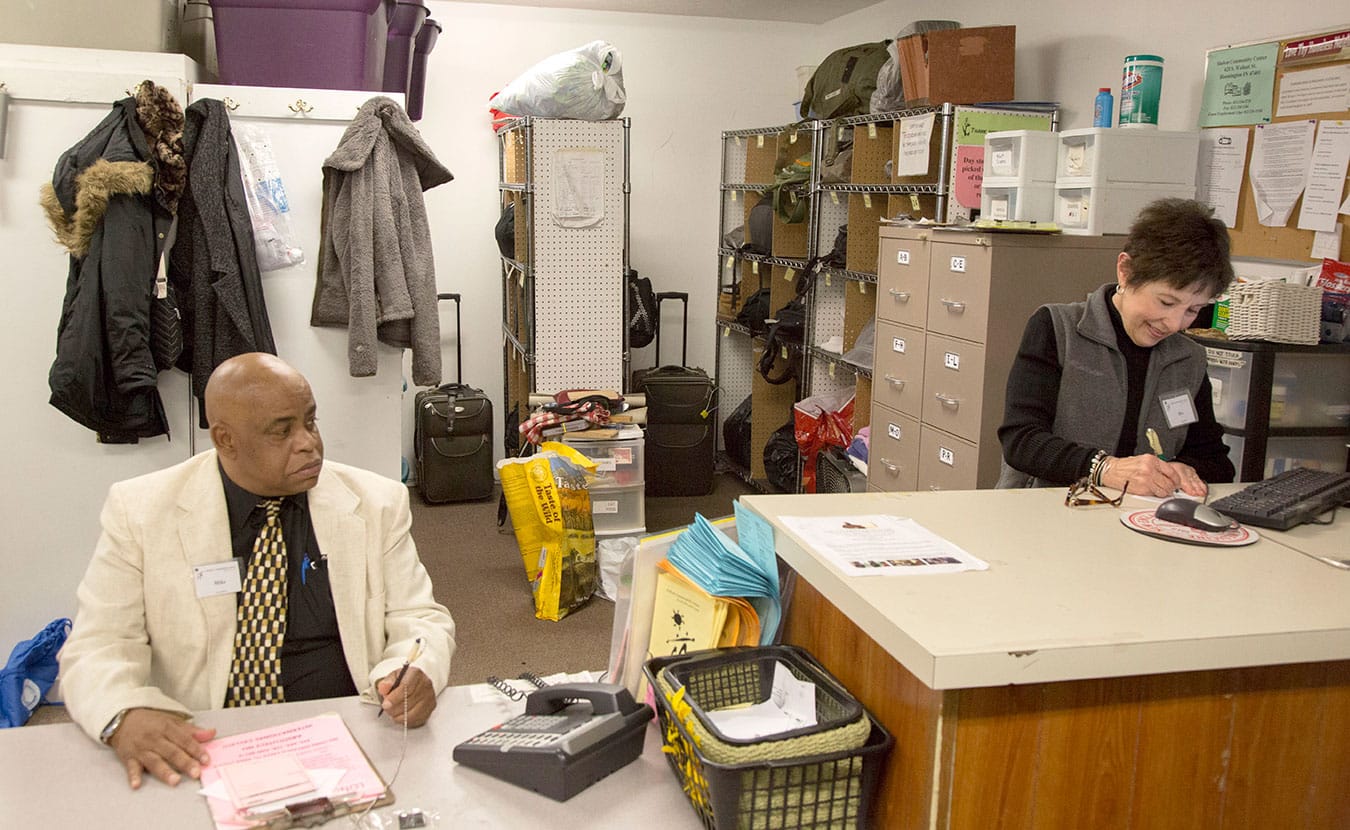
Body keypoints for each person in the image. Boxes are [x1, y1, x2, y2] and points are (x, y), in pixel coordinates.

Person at [59, 353, 456, 790]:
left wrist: (414, 667)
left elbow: (420, 618)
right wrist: (124, 713)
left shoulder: (377, 502)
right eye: (281, 431)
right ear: (226, 441)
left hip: (347, 731)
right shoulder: (141, 511)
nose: (309, 443)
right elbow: (97, 645)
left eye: (311, 421)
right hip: (204, 742)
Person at [998, 198, 1236, 498]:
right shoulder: (1057, 328)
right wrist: (1104, 469)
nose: (1175, 323)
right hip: (1048, 513)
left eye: (1194, 310)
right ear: (1126, 270)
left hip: (1141, 521)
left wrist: (1183, 469)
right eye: (1166, 302)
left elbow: (1217, 462)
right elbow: (1021, 441)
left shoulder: (1188, 358)